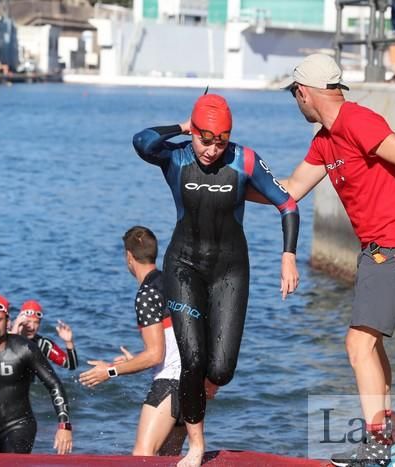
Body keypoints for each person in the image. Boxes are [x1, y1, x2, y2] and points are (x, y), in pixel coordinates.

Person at [277, 54, 395, 466]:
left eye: (294, 94)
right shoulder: (325, 140)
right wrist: (241, 179)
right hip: (372, 250)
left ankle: (378, 447)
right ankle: (386, 444)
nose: (295, 101)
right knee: (371, 346)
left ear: (305, 93)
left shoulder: (355, 120)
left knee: (357, 344)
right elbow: (291, 187)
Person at [132, 94, 300, 467]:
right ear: (194, 132)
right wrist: (181, 128)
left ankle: (185, 412)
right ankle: (195, 444)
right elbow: (141, 141)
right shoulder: (175, 157)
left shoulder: (245, 160)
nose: (210, 150)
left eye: (220, 141)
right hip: (183, 267)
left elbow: (287, 203)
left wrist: (288, 255)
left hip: (230, 269)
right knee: (192, 358)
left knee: (220, 369)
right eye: (204, 139)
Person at [80, 226, 187, 456]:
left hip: (170, 383)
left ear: (129, 256)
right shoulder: (173, 282)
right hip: (191, 383)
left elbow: (155, 355)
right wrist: (136, 360)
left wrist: (109, 371)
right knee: (169, 460)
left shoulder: (147, 293)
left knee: (142, 457)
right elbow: (174, 342)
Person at [0, 295, 72, 454]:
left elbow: (54, 384)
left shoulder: (25, 348)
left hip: (19, 426)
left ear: (7, 322)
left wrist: (64, 425)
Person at [9, 300, 78, 370]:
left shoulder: (42, 344)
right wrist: (15, 327)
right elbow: (6, 358)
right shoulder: (5, 335)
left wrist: (69, 342)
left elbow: (71, 366)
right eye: (28, 321)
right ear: (20, 320)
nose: (32, 327)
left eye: (36, 322)